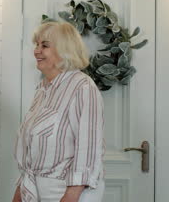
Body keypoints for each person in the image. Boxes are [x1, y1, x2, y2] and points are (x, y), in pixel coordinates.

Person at [13, 21, 105, 202]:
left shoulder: (82, 86)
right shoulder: (43, 89)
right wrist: (20, 191)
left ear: (65, 50)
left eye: (44, 45)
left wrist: (72, 194)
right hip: (36, 188)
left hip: (67, 190)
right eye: (37, 45)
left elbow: (88, 147)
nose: (37, 51)